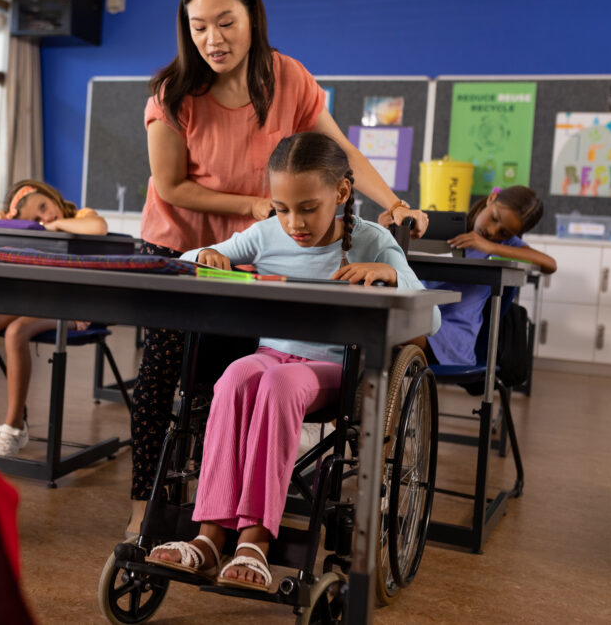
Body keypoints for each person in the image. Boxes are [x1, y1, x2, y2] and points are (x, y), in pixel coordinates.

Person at [127, 0, 430, 537]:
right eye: (198, 27)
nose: (212, 39)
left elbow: (342, 153)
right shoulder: (175, 92)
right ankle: (144, 506)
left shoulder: (287, 79)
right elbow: (170, 185)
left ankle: (240, 512)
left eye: (225, 22)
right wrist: (249, 208)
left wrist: (393, 205)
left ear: (252, 20)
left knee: (241, 380)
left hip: (261, 256)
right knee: (163, 381)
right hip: (191, 249)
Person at [145, 132, 439, 589]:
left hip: (333, 368)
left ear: (341, 193)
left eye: (307, 208)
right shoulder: (267, 233)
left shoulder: (372, 241)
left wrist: (391, 274)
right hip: (271, 358)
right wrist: (209, 254)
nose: (293, 223)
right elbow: (188, 261)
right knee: (235, 376)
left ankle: (255, 541)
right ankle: (207, 537)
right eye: (282, 209)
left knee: (277, 386)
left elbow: (431, 315)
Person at [0, 180, 109, 457]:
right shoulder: (37, 228)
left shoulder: (80, 216)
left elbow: (99, 228)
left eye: (43, 207)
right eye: (37, 219)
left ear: (50, 195)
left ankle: (14, 427)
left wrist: (55, 225)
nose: (45, 217)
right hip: (39, 300)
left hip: (76, 307)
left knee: (15, 332)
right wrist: (2, 225)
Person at [423, 185, 557, 367]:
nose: (493, 232)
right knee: (383, 328)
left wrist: (491, 247)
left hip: (450, 336)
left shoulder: (504, 244)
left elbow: (550, 264)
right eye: (494, 218)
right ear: (492, 198)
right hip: (418, 316)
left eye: (504, 233)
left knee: (390, 335)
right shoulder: (450, 226)